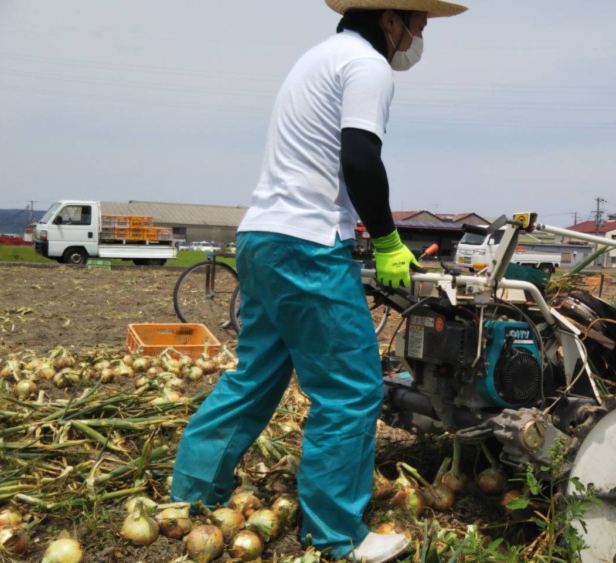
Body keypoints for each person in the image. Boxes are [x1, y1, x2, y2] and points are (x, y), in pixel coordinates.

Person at [170, 1, 467, 561]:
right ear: (390, 19)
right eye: (420, 23)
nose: (421, 35)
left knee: (254, 375)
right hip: (306, 245)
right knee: (353, 387)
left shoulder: (316, 59)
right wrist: (385, 239)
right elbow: (359, 159)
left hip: (261, 238)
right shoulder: (367, 66)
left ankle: (190, 493)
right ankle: (337, 534)